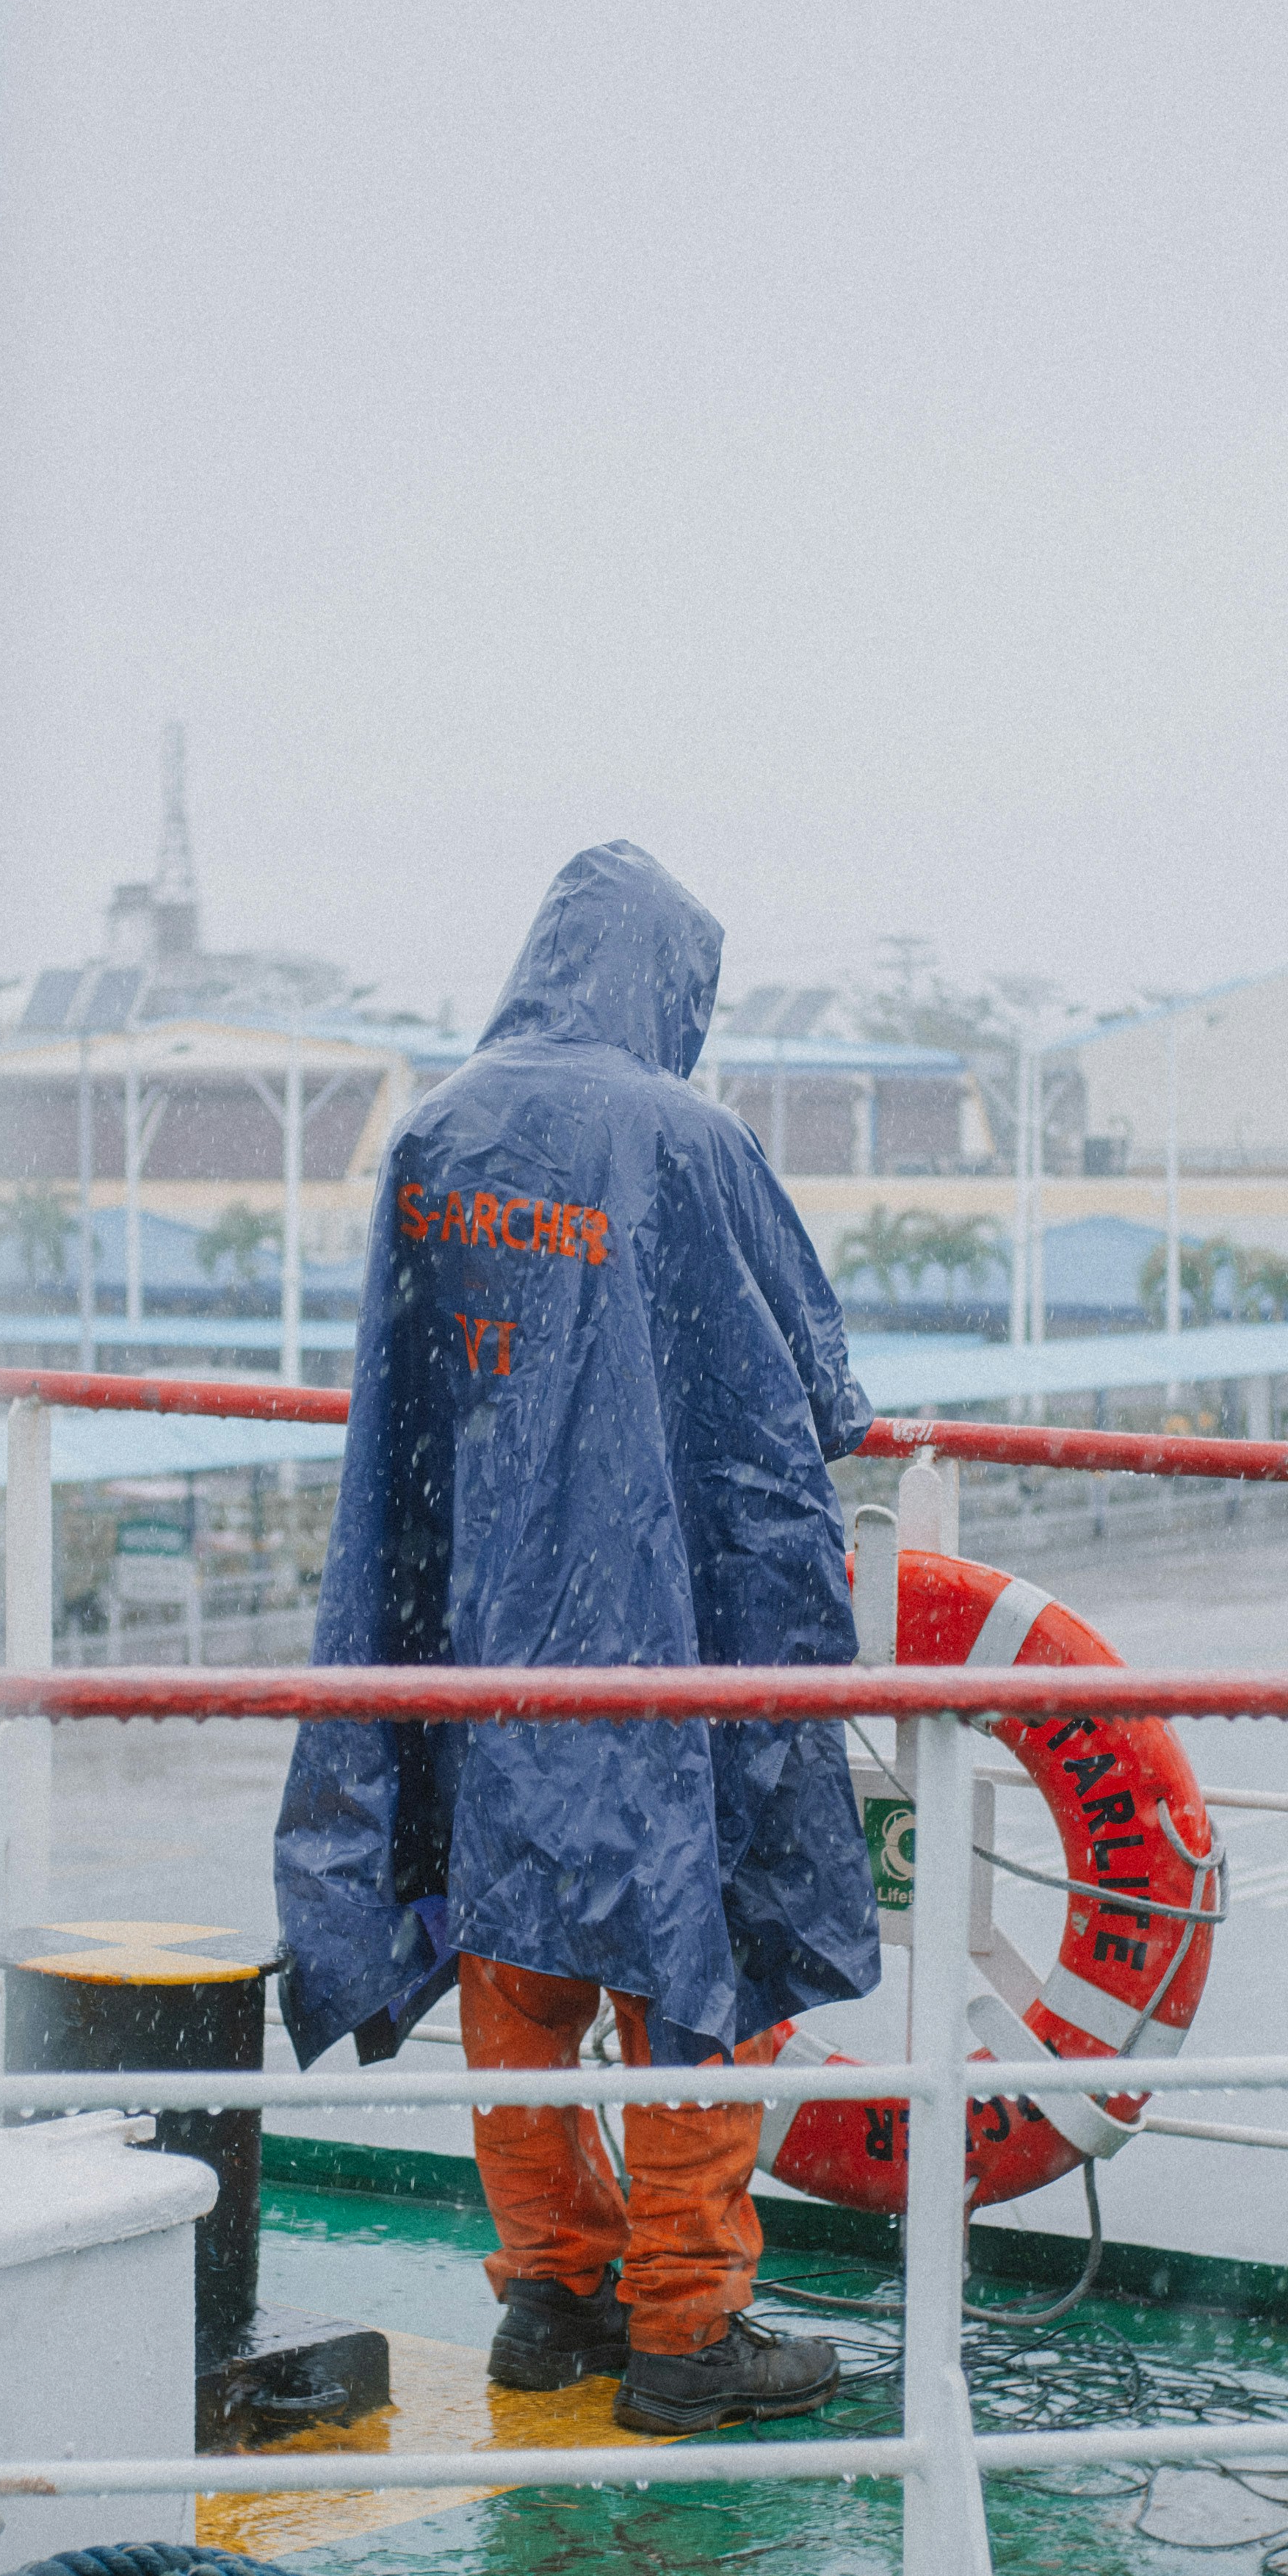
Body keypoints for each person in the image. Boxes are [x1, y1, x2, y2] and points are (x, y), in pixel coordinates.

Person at [275, 839, 883, 2428]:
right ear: (666, 980)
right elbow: (811, 1394)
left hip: (477, 1635)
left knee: (514, 1948)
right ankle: (686, 2330)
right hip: (660, 1631)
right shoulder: (690, 1139)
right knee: (701, 1972)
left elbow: (407, 1408)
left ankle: (549, 2296)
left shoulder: (436, 1132)